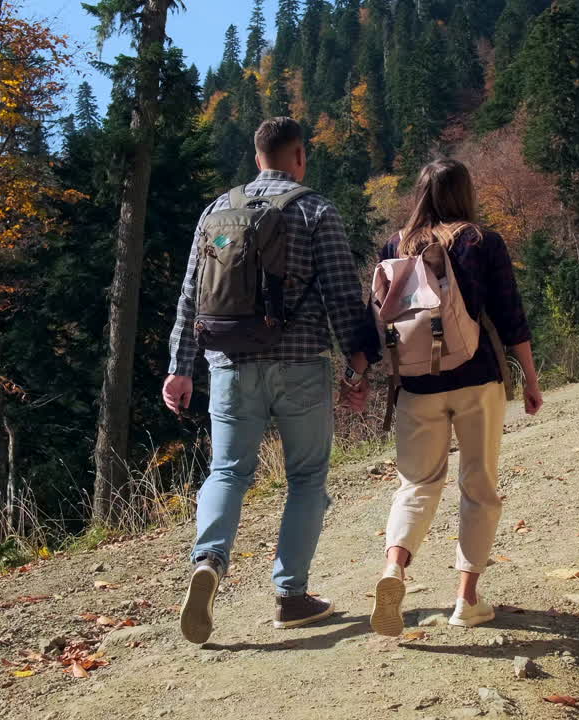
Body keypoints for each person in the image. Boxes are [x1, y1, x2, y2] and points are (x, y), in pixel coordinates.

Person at [164, 117, 378, 644]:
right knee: (306, 479)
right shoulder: (316, 210)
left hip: (229, 364)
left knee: (227, 472)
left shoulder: (217, 210)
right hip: (300, 363)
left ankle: (209, 560)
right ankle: (291, 596)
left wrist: (180, 367)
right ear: (299, 156)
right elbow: (342, 298)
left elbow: (191, 296)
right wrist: (357, 369)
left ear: (257, 157)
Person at [369, 158, 544, 636]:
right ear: (465, 193)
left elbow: (377, 320)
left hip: (415, 385)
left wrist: (363, 374)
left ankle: (394, 568)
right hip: (476, 378)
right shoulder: (481, 241)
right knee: (478, 486)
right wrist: (530, 379)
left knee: (416, 484)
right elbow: (510, 315)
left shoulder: (394, 246)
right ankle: (467, 599)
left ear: (419, 194)